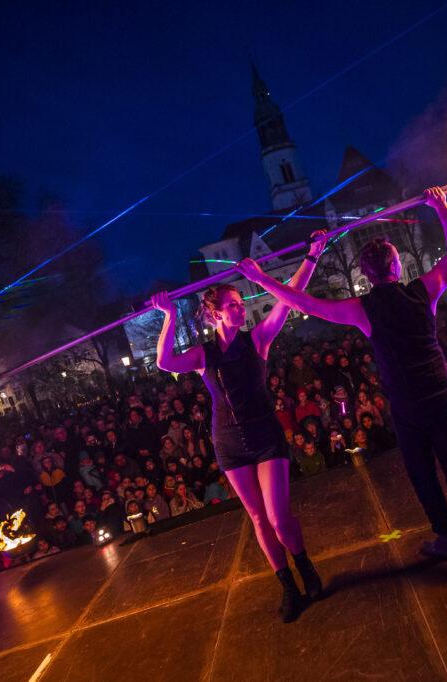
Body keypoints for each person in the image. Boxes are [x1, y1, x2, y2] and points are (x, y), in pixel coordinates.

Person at [238, 187, 447, 571]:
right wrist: (442, 206)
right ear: (396, 267)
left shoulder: (362, 309)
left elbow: (304, 304)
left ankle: (445, 537)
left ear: (367, 274)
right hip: (438, 395)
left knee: (423, 474)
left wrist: (263, 280)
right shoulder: (422, 290)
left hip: (407, 404)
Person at [152, 233, 329, 622]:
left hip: (266, 436)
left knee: (280, 517)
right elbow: (164, 362)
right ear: (215, 314)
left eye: (241, 303)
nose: (242, 309)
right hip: (229, 442)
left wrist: (311, 256)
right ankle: (288, 587)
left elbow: (288, 297)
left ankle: (306, 568)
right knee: (258, 519)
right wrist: (168, 316)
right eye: (233, 305)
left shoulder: (258, 340)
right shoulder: (204, 354)